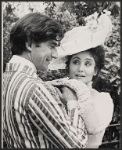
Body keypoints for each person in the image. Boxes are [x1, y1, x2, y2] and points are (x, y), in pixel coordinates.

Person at [3, 12, 92, 148]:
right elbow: (77, 145)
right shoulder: (34, 89)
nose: (55, 54)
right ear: (30, 43)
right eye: (52, 46)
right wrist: (72, 102)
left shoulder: (5, 79)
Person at [48, 11, 114, 148]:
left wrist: (73, 99)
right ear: (68, 66)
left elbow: (92, 127)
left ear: (95, 70)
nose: (81, 69)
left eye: (88, 64)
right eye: (76, 62)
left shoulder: (103, 99)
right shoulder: (58, 92)